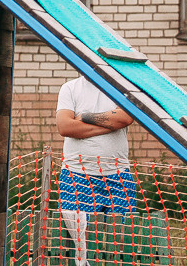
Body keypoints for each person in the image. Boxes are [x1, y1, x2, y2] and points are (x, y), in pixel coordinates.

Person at [55, 75, 137, 266]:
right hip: (76, 176)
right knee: (82, 247)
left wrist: (84, 117)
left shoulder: (121, 87)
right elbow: (65, 126)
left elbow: (125, 117)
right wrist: (110, 124)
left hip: (118, 177)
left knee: (117, 246)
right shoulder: (70, 88)